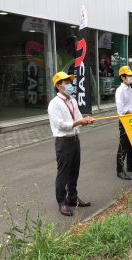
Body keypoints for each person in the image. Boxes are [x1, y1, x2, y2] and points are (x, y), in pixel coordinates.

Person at [48, 71, 95, 216]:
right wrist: (79, 122)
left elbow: (79, 118)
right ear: (58, 86)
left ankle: (73, 198)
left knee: (74, 171)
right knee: (63, 173)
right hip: (63, 142)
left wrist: (86, 120)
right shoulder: (54, 104)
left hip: (75, 140)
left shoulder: (73, 101)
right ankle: (62, 202)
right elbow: (61, 125)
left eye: (70, 82)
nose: (70, 85)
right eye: (66, 83)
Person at [115, 65, 132, 180]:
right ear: (122, 77)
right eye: (129, 75)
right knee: (123, 146)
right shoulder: (120, 91)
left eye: (131, 75)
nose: (131, 77)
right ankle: (120, 171)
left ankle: (131, 166)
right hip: (125, 121)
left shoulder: (129, 88)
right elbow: (122, 110)